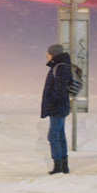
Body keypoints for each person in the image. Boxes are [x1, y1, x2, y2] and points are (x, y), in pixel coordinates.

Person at [40, 44, 72, 175]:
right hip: (60, 106)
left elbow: (59, 90)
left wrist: (51, 102)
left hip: (57, 107)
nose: (46, 55)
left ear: (53, 54)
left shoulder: (60, 67)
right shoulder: (61, 66)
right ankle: (64, 166)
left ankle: (58, 165)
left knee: (53, 136)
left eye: (48, 53)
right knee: (60, 135)